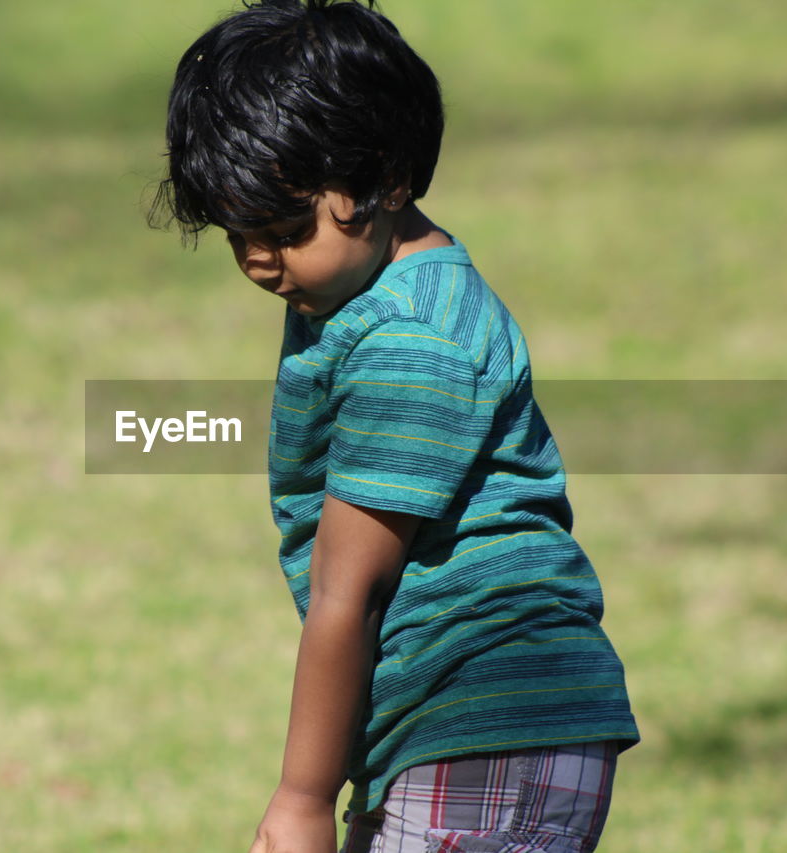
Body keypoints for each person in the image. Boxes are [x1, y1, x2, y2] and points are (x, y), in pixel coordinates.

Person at [150, 2, 639, 851]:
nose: (262, 261)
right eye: (240, 235)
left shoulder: (407, 343)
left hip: (488, 721)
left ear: (386, 179)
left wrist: (302, 796)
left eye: (285, 229)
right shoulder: (353, 284)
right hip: (450, 726)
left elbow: (352, 588)